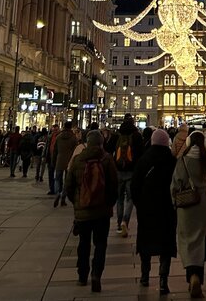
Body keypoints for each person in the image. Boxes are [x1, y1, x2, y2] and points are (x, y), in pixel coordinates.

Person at [65, 128, 118, 292]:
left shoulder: (78, 159)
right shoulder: (107, 159)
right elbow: (114, 186)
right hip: (102, 211)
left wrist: (76, 202)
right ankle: (96, 274)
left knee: (83, 243)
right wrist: (109, 204)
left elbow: (69, 185)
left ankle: (82, 275)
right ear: (101, 143)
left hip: (83, 210)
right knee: (101, 244)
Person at [172, 132, 206, 299]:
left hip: (187, 205)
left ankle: (192, 276)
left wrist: (173, 200)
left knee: (188, 242)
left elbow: (176, 184)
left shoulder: (183, 160)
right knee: (201, 241)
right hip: (203, 204)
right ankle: (199, 278)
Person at [132, 128, 176, 295]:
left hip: (147, 209)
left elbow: (134, 185)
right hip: (167, 209)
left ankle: (144, 276)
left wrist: (139, 204)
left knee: (145, 242)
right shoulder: (172, 161)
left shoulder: (144, 159)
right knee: (166, 244)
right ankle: (163, 279)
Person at [111, 114, 143, 236]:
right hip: (132, 171)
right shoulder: (136, 136)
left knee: (119, 199)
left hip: (118, 170)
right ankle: (125, 220)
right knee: (130, 198)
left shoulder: (116, 135)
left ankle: (119, 224)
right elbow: (141, 154)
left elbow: (108, 149)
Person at [53, 121, 78, 206]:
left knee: (57, 179)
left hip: (59, 160)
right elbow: (76, 151)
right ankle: (63, 197)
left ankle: (57, 193)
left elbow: (55, 151)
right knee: (67, 181)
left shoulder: (58, 137)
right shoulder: (73, 138)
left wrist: (53, 161)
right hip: (69, 162)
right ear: (70, 127)